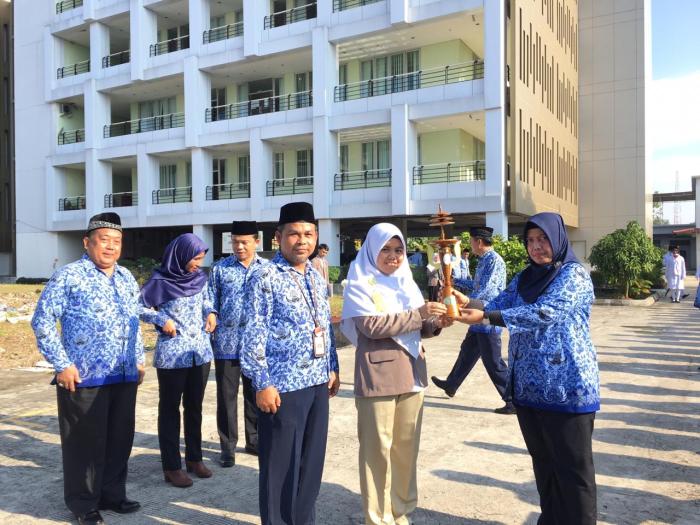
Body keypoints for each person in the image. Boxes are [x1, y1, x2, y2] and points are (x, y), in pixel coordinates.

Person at [455, 212, 599, 525]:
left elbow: (544, 312)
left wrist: (487, 318)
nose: (536, 246)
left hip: (567, 390)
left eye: (543, 239)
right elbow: (498, 303)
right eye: (531, 240)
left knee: (574, 472)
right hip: (529, 389)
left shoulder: (574, 275)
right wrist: (463, 302)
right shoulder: (525, 277)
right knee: (545, 465)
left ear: (558, 239)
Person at [31, 213, 145, 525]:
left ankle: (112, 494)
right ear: (87, 243)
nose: (111, 247)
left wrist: (138, 361)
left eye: (117, 241)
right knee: (84, 444)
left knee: (119, 439)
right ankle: (84, 504)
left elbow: (133, 321)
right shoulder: (69, 276)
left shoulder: (125, 277)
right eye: (104, 240)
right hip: (82, 378)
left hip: (121, 375)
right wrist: (62, 364)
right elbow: (42, 321)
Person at [240, 202, 340, 525]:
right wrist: (262, 382)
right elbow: (252, 336)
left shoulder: (314, 273)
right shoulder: (264, 276)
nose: (302, 241)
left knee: (311, 466)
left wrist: (333, 366)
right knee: (280, 470)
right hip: (282, 388)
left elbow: (322, 323)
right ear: (278, 237)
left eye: (309, 234)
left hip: (316, 384)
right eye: (294, 234)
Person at [341, 223, 448, 525]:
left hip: (413, 374)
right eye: (386, 249)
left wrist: (437, 323)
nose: (393, 256)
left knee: (406, 451)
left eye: (399, 250)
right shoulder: (360, 280)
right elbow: (371, 327)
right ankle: (377, 517)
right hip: (379, 377)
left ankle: (402, 512)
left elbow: (419, 328)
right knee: (377, 453)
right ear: (372, 250)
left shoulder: (406, 282)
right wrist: (420, 315)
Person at [140, 233, 216, 488]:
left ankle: (195, 459)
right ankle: (171, 466)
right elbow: (139, 307)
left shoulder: (200, 279)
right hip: (173, 355)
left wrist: (211, 313)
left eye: (201, 259)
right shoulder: (160, 280)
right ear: (181, 255)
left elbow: (207, 301)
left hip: (200, 353)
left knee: (195, 407)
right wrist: (162, 320)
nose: (198, 264)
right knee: (170, 410)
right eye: (195, 258)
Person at [431, 226, 513, 414]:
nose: (470, 245)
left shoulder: (494, 261)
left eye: (471, 241)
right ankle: (451, 384)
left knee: (493, 362)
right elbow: (476, 285)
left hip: (487, 316)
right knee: (467, 352)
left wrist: (465, 303)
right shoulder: (484, 260)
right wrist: (453, 281)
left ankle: (513, 399)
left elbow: (487, 291)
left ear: (478, 241)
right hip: (478, 314)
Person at [208, 221, 265, 467]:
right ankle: (227, 447)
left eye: (244, 242)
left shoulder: (268, 269)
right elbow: (210, 299)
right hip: (226, 345)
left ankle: (255, 441)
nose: (239, 247)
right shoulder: (220, 268)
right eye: (235, 242)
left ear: (256, 241)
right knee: (226, 397)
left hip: (257, 346)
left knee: (255, 395)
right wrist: (210, 313)